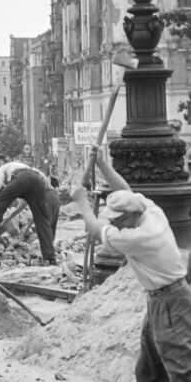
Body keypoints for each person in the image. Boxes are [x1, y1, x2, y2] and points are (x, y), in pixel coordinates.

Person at [70, 147, 191, 381]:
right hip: (160, 298)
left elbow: (95, 230)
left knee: (180, 367)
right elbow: (125, 190)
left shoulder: (138, 237)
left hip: (169, 302)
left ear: (131, 217)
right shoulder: (149, 211)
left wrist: (81, 201)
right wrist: (103, 164)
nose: (114, 224)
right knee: (149, 367)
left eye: (117, 220)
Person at [0, 161, 59, 264]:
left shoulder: (2, 168)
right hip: (39, 184)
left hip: (23, 177)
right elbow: (43, 180)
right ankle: (50, 257)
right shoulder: (30, 168)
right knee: (42, 220)